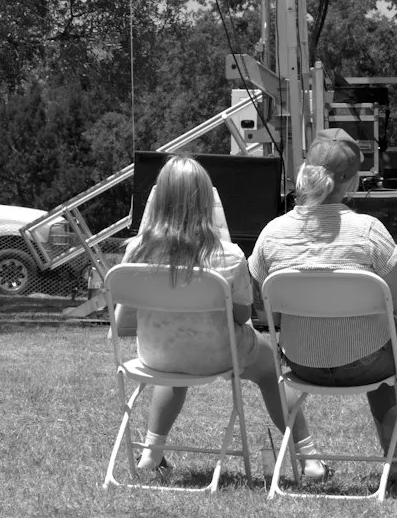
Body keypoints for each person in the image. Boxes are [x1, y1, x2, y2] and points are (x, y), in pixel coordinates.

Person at [249, 129, 397, 489]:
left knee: (377, 341)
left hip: (302, 363)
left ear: (304, 172)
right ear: (352, 181)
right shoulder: (368, 231)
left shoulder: (271, 234)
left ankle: (309, 457)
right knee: (393, 333)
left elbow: (264, 313)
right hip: (370, 362)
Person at [119, 155, 324, 479]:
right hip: (217, 354)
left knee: (174, 364)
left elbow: (124, 312)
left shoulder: (135, 251)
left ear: (158, 199)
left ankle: (151, 454)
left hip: (156, 355)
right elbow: (241, 315)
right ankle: (310, 459)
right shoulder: (228, 255)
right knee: (269, 369)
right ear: (206, 201)